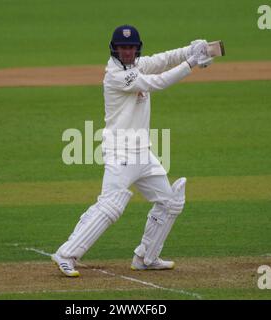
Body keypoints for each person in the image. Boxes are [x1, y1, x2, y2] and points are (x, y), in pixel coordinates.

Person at [52, 25, 213, 277]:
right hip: (120, 152)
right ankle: (66, 254)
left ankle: (146, 257)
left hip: (143, 152)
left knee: (169, 202)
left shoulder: (135, 65)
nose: (127, 52)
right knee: (110, 207)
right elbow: (157, 82)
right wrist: (191, 63)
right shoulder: (117, 76)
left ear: (137, 48)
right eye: (123, 47)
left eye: (131, 47)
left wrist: (190, 50)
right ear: (115, 49)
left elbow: (162, 60)